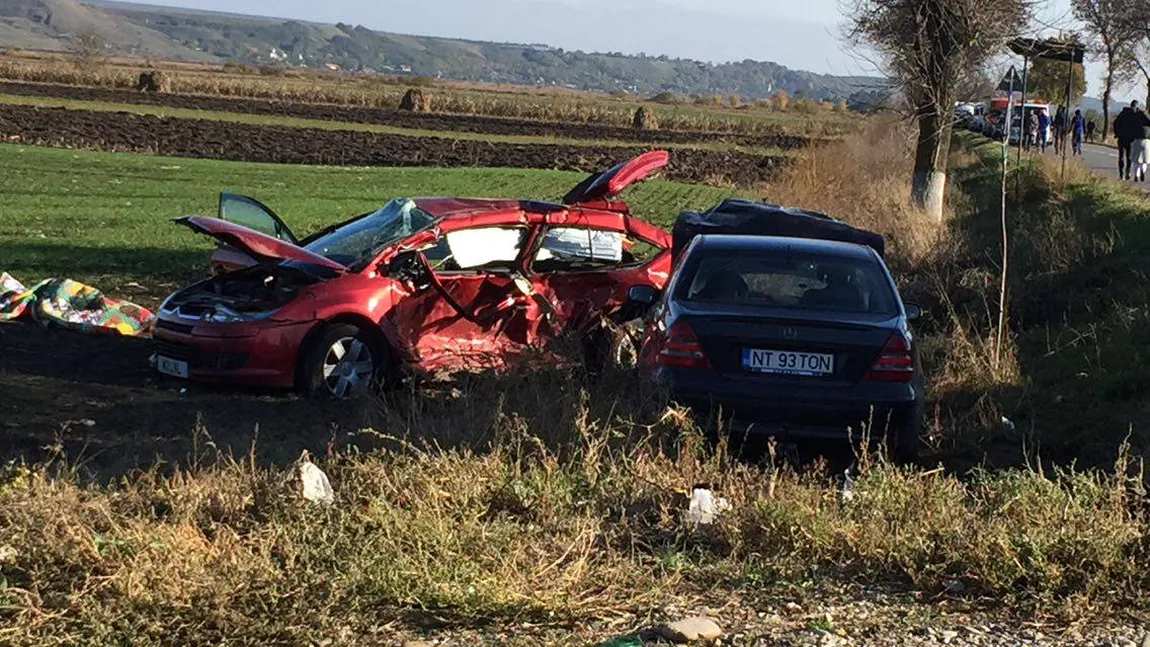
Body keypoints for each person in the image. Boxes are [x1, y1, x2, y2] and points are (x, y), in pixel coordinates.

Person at [1114, 102, 1139, 180]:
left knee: (1121, 156)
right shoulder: (1136, 115)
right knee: (1129, 157)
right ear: (1136, 106)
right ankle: (1128, 171)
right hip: (1131, 139)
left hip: (1121, 138)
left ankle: (1121, 175)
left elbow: (1115, 123)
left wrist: (1117, 133)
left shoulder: (1123, 113)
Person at [1133, 102, 1150, 182]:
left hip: (1136, 139)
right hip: (1146, 140)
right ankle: (1143, 171)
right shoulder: (1147, 117)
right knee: (1145, 160)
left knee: (1136, 160)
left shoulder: (1134, 116)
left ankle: (1136, 175)